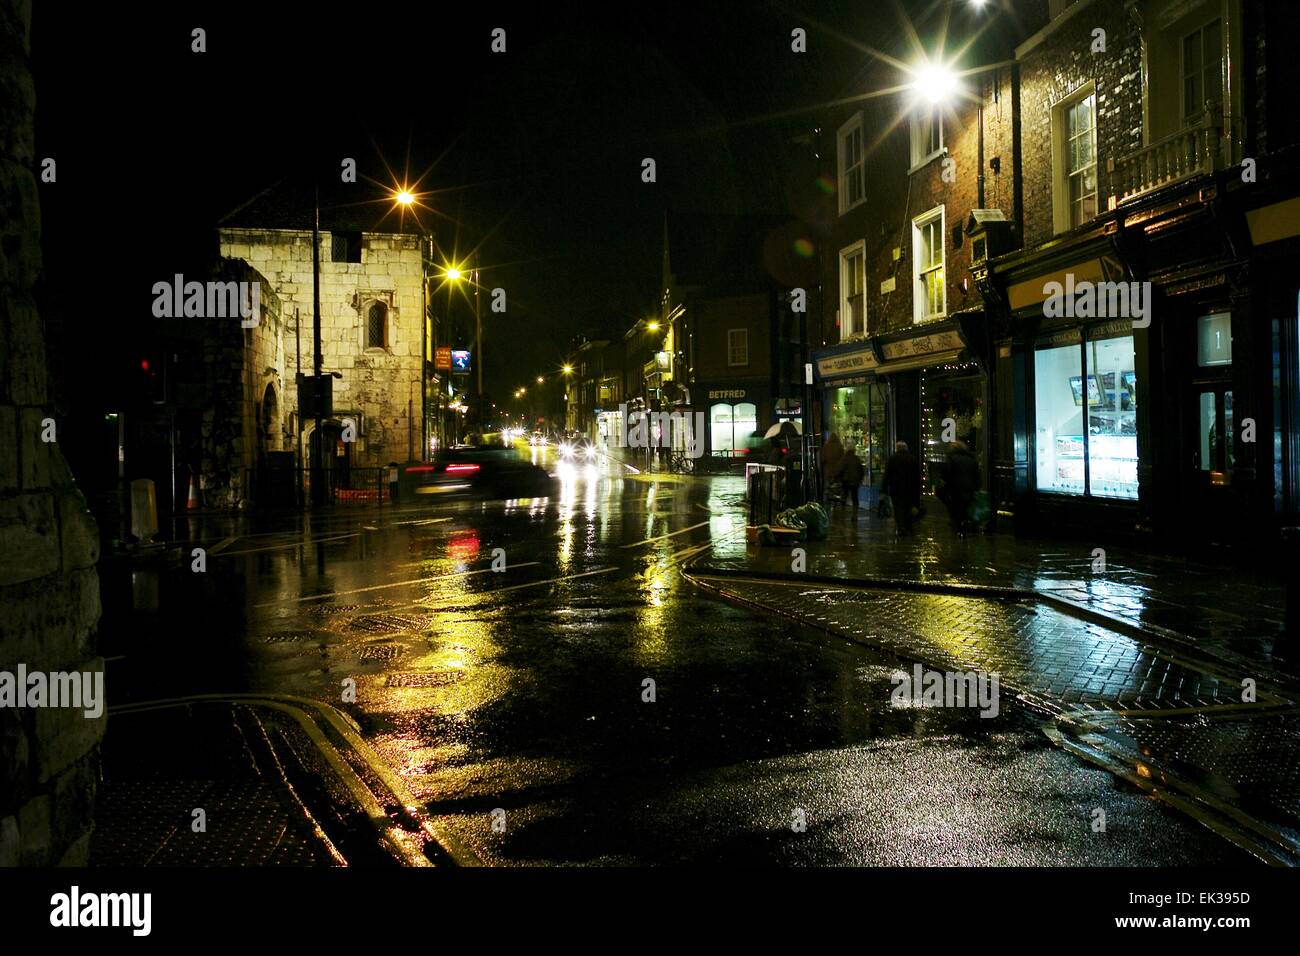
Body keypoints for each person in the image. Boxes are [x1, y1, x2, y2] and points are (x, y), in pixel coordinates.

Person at [940, 438, 980, 536]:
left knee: (956, 508)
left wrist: (945, 486)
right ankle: (964, 525)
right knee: (965, 508)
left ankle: (959, 527)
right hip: (969, 488)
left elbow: (947, 474)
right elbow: (976, 475)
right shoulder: (971, 460)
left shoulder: (951, 459)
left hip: (956, 488)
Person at [881, 440, 920, 536]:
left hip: (896, 489)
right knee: (908, 507)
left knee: (898, 508)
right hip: (909, 488)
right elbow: (916, 476)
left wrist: (884, 489)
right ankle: (908, 526)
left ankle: (901, 527)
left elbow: (887, 475)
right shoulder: (912, 459)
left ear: (897, 448)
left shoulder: (892, 459)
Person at [839, 439, 864, 516]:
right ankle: (854, 515)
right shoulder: (856, 459)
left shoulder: (844, 458)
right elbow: (861, 470)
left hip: (846, 481)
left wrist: (840, 478)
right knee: (855, 498)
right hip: (855, 481)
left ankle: (843, 514)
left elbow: (841, 469)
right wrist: (860, 479)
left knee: (844, 497)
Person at [820, 432, 844, 503]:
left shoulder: (826, 446)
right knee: (836, 486)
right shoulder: (840, 446)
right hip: (837, 470)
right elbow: (842, 458)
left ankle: (829, 500)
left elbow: (823, 459)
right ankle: (836, 500)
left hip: (828, 471)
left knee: (829, 486)